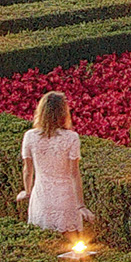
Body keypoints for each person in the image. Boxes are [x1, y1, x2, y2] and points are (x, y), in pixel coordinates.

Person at [19, 89, 89, 236]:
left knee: (44, 242)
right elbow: (74, 174)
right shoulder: (71, 138)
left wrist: (27, 191)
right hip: (67, 198)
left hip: (41, 197)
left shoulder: (30, 136)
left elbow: (27, 170)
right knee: (72, 244)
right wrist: (81, 205)